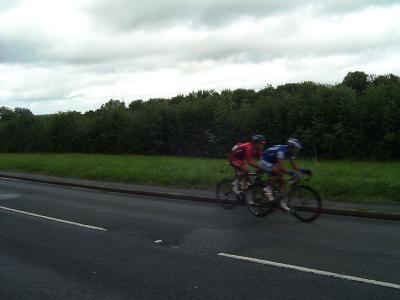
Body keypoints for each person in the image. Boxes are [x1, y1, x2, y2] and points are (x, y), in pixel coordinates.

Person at [260, 138, 312, 210]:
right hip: (265, 160)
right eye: (296, 149)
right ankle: (267, 189)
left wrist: (305, 171)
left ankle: (281, 202)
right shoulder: (281, 151)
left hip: (272, 161)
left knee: (283, 182)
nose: (297, 151)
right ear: (291, 147)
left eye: (298, 150)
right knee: (279, 173)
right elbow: (280, 167)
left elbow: (295, 167)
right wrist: (292, 173)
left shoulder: (291, 153)